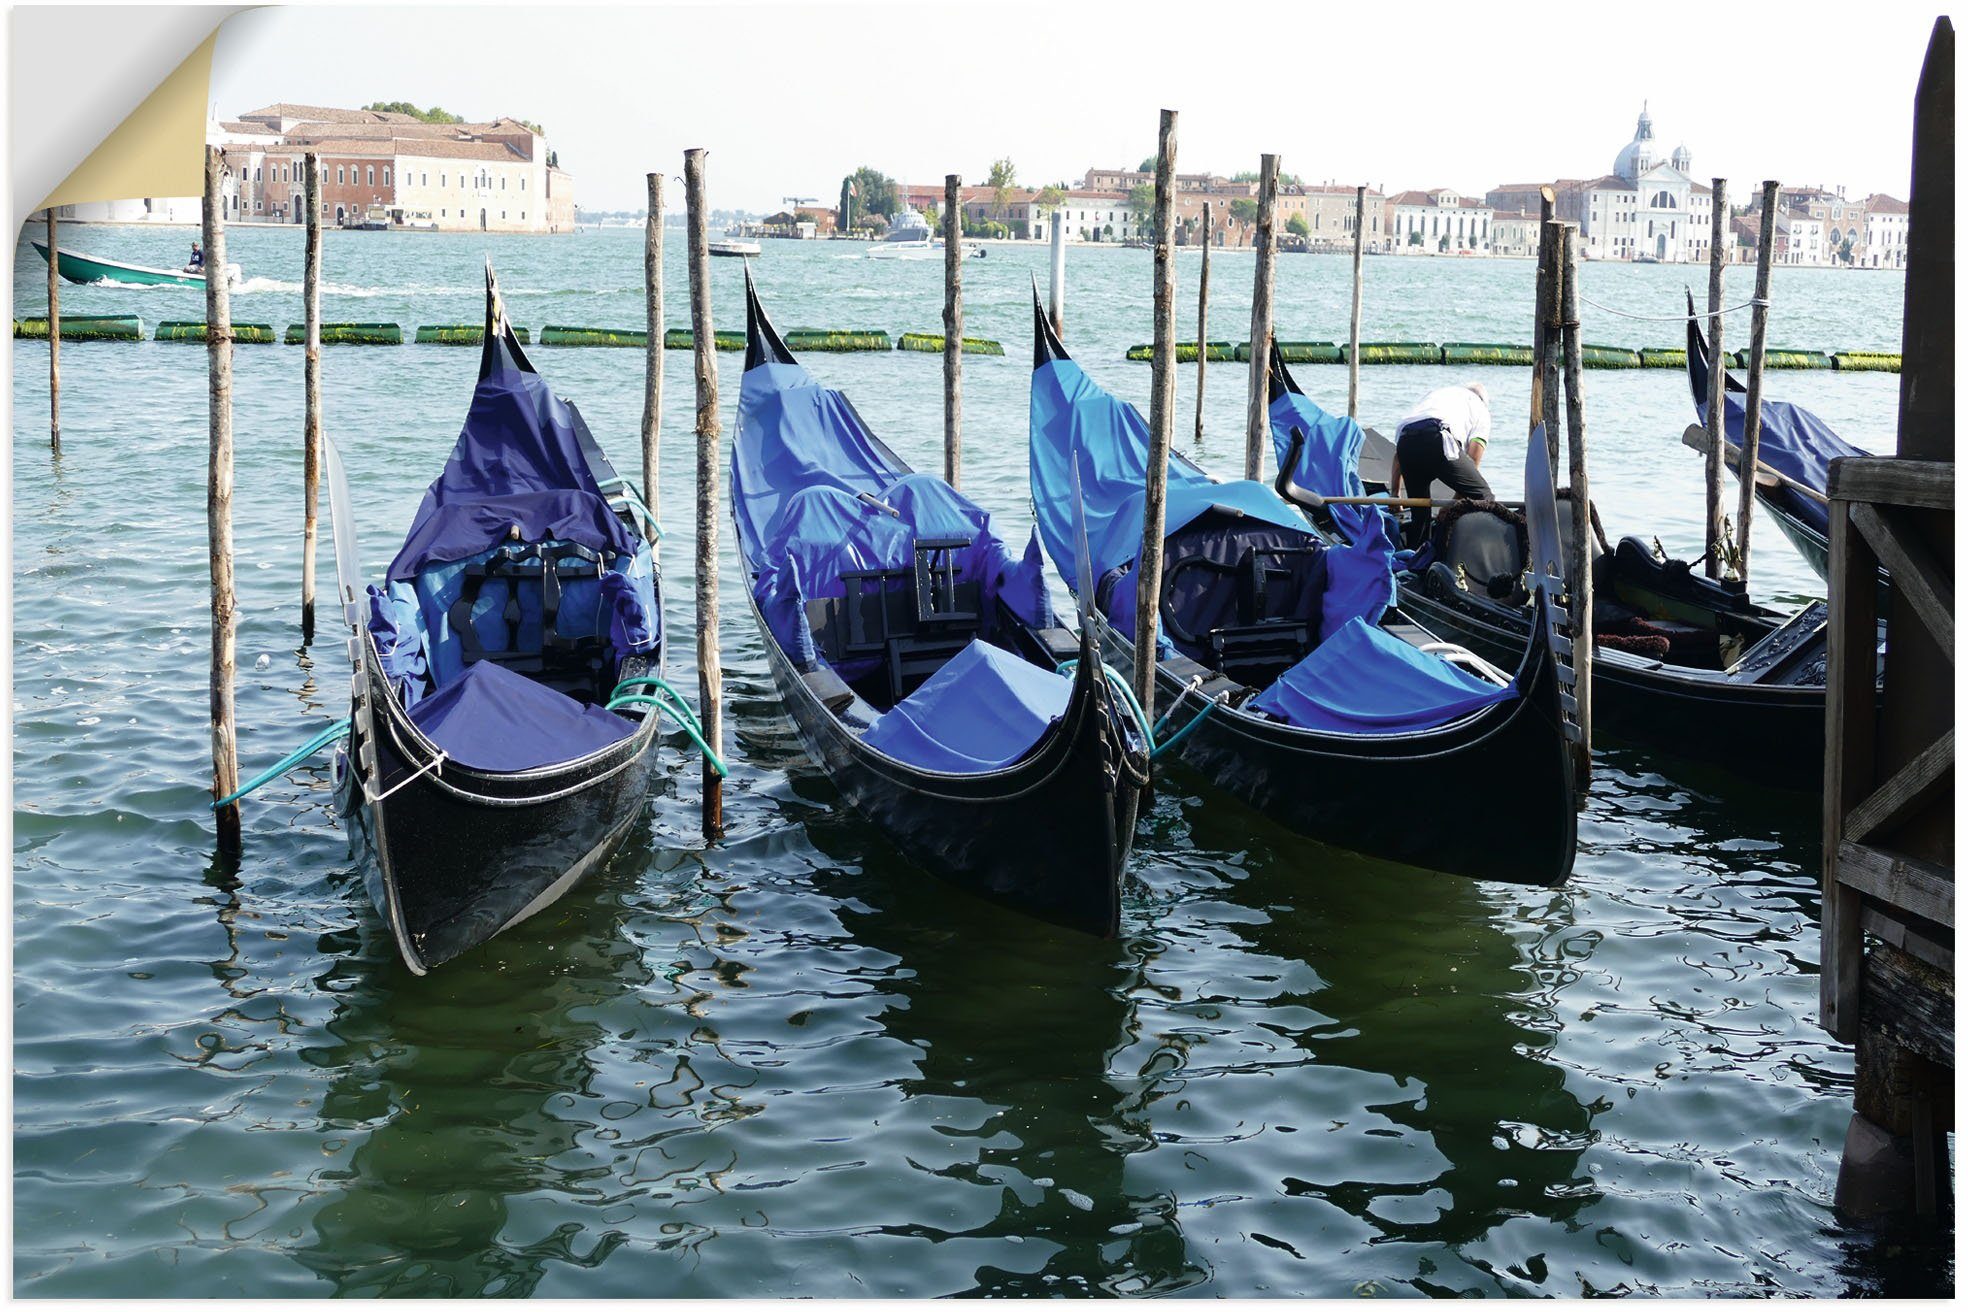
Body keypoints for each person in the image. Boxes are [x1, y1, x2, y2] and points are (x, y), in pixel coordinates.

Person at [1388, 381, 1493, 549]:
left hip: (1406, 441)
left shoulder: (1439, 393)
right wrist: (1450, 507)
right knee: (1484, 496)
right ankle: (1478, 554)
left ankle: (1416, 561)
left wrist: (1394, 496)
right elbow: (1473, 461)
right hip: (1436, 438)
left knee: (1420, 512)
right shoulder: (1481, 410)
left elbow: (1398, 456)